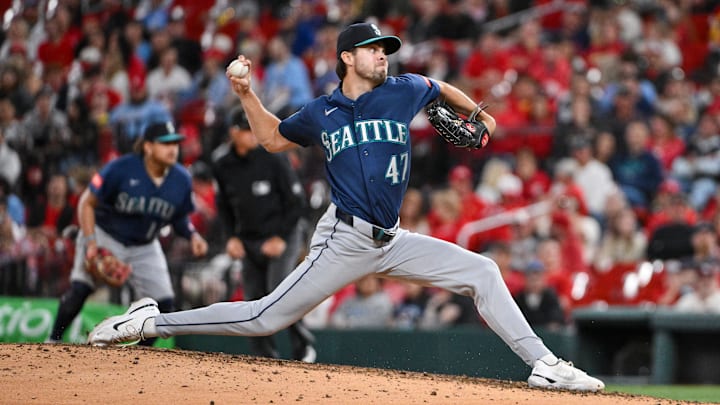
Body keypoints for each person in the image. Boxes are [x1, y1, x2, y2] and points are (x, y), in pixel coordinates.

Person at [87, 22, 604, 392]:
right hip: (344, 238)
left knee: (483, 271)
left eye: (385, 49)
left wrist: (481, 118)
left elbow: (439, 88)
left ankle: (543, 364)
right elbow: (270, 138)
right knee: (263, 318)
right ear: (347, 59)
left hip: (393, 239)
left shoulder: (402, 90)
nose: (384, 55)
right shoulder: (321, 111)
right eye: (374, 49)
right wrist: (246, 92)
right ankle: (150, 321)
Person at [48, 121, 208, 344]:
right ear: (148, 147)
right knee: (80, 290)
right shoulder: (121, 168)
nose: (173, 149)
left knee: (164, 305)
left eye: (175, 143)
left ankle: (137, 359)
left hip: (145, 244)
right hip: (106, 235)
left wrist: (192, 235)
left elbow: (178, 216)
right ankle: (52, 341)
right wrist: (91, 243)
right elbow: (87, 202)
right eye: (165, 144)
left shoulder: (181, 179)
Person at [212, 106, 316, 362]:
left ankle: (303, 347)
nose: (252, 135)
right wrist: (231, 237)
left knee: (279, 291)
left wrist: (280, 237)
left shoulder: (273, 157)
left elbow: (297, 202)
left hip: (284, 234)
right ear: (233, 133)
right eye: (246, 130)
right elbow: (223, 205)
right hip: (249, 238)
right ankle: (264, 357)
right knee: (254, 297)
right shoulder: (223, 164)